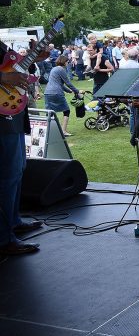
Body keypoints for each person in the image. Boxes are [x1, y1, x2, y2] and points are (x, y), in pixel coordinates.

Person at [0, 39, 47, 255]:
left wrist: (32, 57)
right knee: (7, 176)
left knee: (18, 171)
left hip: (13, 112)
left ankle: (13, 221)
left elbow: (11, 68)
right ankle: (3, 237)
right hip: (3, 118)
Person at [43, 55, 84, 136]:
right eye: (67, 62)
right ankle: (63, 131)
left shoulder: (54, 69)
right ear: (64, 62)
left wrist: (69, 91)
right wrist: (77, 91)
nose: (67, 63)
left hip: (47, 92)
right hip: (56, 93)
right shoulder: (61, 69)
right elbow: (68, 82)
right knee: (66, 111)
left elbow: (60, 83)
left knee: (49, 112)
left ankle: (46, 131)